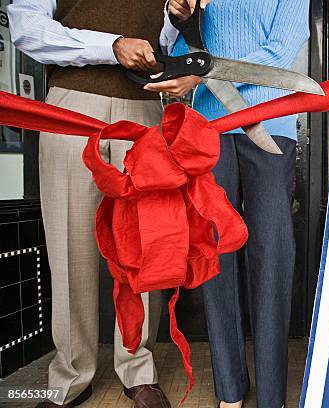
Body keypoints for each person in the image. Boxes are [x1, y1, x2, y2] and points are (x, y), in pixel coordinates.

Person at [7, 1, 171, 407]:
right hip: (72, 106)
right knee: (69, 246)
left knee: (142, 247)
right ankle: (70, 375)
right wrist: (110, 46)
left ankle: (139, 368)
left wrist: (181, 22)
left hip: (146, 112)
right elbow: (25, 28)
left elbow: (163, 44)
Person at [152, 0, 310, 407]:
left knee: (271, 252)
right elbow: (176, 54)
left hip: (270, 123)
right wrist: (181, 20)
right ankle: (229, 389)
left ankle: (272, 394)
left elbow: (278, 54)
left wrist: (202, 71)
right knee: (216, 252)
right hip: (209, 128)